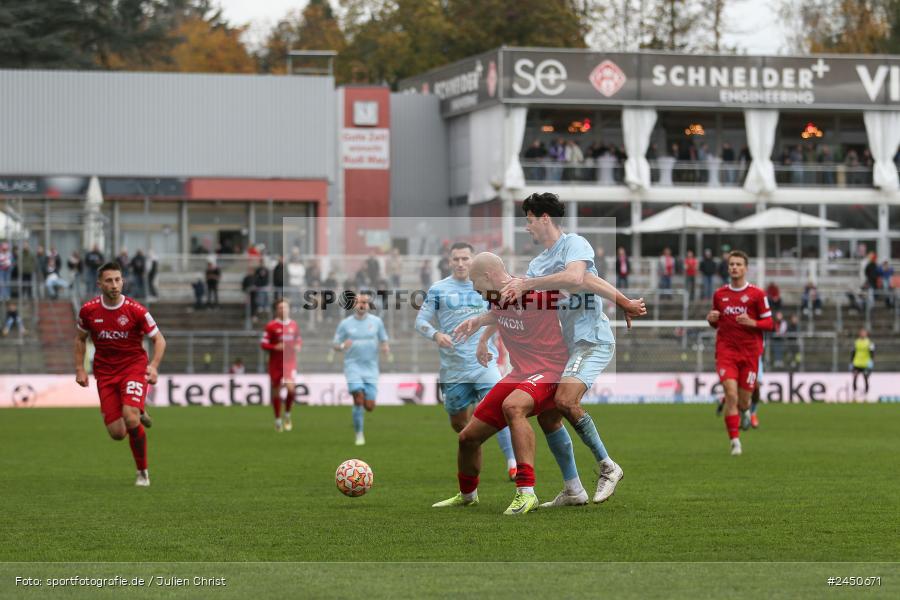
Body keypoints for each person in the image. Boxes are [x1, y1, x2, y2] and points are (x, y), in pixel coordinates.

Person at [495, 193, 645, 504]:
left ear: (544, 218)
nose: (527, 227)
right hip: (567, 348)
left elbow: (579, 277)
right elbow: (585, 283)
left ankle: (608, 466)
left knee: (564, 401)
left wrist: (527, 284)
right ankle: (573, 490)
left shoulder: (575, 243)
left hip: (592, 340)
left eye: (529, 220)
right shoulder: (537, 264)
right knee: (549, 417)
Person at [433, 253, 573, 515]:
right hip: (520, 373)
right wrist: (479, 325)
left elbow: (577, 288)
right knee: (467, 438)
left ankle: (526, 492)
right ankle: (467, 496)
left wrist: (619, 303)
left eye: (476, 285)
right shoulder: (497, 298)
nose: (476, 292)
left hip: (550, 370)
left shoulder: (534, 292)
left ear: (488, 276)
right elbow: (496, 313)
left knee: (513, 407)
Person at [415, 242, 517, 481]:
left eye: (465, 259)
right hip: (454, 371)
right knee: (461, 425)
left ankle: (512, 463)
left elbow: (499, 316)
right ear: (449, 261)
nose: (461, 263)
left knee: (501, 410)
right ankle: (474, 455)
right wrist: (436, 334)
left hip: (485, 365)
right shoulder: (439, 289)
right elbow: (421, 322)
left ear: (474, 261)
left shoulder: (486, 286)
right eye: (456, 259)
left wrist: (483, 340)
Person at [74, 262, 166, 487]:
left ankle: (142, 472)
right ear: (99, 284)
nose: (114, 285)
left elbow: (159, 339)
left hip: (133, 368)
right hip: (105, 373)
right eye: (109, 280)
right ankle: (138, 410)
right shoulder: (89, 311)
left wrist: (153, 366)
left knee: (130, 416)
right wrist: (79, 369)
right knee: (117, 433)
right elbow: (80, 339)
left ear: (123, 281)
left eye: (117, 280)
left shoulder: (136, 310)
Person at [706, 250, 774, 456]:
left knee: (744, 400)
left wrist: (753, 322)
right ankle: (735, 441)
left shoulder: (757, 294)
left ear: (745, 268)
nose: (734, 267)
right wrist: (711, 319)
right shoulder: (719, 294)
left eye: (738, 264)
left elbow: (770, 323)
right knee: (731, 394)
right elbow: (715, 323)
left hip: (750, 354)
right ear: (728, 268)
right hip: (726, 352)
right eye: (732, 264)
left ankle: (746, 413)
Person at [332, 293, 391, 446]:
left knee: (369, 406)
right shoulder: (345, 324)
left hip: (371, 367)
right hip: (353, 366)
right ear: (353, 305)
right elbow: (335, 344)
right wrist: (344, 345)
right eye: (359, 302)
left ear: (368, 305)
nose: (362, 305)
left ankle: (362, 413)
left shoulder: (376, 322)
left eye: (365, 302)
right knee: (358, 399)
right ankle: (359, 434)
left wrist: (385, 347)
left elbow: (383, 338)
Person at [260, 298, 303, 432]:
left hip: (289, 363)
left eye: (285, 307)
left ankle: (288, 414)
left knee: (291, 390)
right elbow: (263, 344)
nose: (283, 310)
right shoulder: (271, 326)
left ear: (289, 309)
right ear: (276, 310)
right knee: (276, 391)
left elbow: (298, 340)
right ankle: (278, 420)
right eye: (280, 308)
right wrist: (274, 347)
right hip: (275, 363)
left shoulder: (294, 325)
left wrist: (298, 346)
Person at [850, 328, 875, 398]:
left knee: (865, 378)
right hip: (856, 363)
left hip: (865, 364)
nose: (862, 334)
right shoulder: (856, 342)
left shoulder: (869, 342)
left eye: (864, 333)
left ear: (866, 334)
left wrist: (871, 361)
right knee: (855, 377)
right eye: (861, 333)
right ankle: (854, 393)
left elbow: (872, 353)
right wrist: (851, 362)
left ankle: (866, 394)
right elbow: (853, 352)